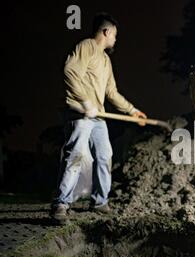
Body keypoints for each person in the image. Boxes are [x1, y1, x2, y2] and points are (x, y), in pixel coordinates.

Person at [51, 13, 148, 224]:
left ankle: (99, 201)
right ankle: (60, 204)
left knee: (105, 154)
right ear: (106, 32)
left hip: (98, 117)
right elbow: (69, 71)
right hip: (80, 112)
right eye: (115, 35)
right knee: (75, 154)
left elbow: (112, 93)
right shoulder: (86, 46)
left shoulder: (106, 60)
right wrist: (85, 102)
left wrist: (132, 111)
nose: (116, 39)